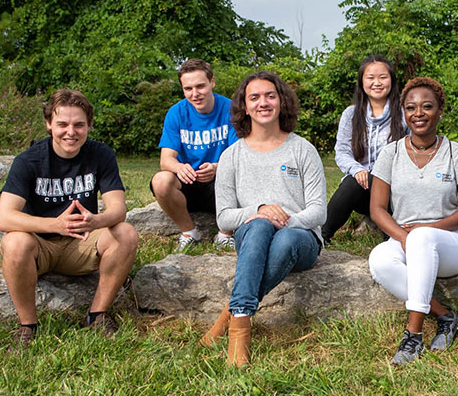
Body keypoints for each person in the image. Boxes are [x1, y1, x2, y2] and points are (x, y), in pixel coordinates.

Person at [199, 71, 327, 367]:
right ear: (244, 106)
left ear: (282, 102)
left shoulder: (303, 149)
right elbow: (224, 218)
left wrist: (283, 220)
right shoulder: (231, 156)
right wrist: (259, 211)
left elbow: (319, 211)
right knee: (258, 225)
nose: (263, 103)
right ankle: (241, 325)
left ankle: (231, 315)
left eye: (270, 96)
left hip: (301, 238)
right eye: (254, 97)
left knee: (285, 239)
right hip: (252, 236)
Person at [0, 89, 138, 349]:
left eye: (79, 125)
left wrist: (96, 221)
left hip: (81, 242)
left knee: (126, 233)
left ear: (89, 126)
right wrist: (54, 224)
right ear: (49, 124)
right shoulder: (28, 160)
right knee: (14, 242)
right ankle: (28, 326)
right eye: (62, 124)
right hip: (39, 245)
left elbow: (118, 210)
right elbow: (4, 217)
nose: (70, 132)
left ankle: (97, 315)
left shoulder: (101, 154)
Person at [366, 77, 458, 365]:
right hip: (404, 238)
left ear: (440, 111)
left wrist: (424, 232)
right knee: (379, 259)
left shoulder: (456, 153)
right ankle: (446, 316)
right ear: (403, 112)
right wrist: (406, 238)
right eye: (411, 107)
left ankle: (413, 336)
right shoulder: (391, 153)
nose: (418, 113)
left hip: (450, 243)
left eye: (427, 107)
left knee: (422, 237)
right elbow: (377, 209)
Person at [151, 59, 240, 252]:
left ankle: (225, 235)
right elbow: (166, 160)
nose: (195, 94)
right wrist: (179, 168)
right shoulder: (176, 113)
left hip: (221, 185)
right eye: (188, 88)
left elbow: (239, 156)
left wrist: (216, 167)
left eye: (200, 86)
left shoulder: (231, 109)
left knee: (241, 175)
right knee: (161, 180)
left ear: (212, 82)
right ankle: (189, 233)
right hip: (188, 183)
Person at [322, 55, 408, 243]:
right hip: (361, 189)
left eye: (383, 77)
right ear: (362, 82)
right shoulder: (351, 114)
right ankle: (321, 236)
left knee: (375, 181)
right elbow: (342, 151)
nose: (377, 83)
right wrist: (357, 169)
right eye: (370, 77)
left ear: (392, 80)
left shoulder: (404, 114)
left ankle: (393, 242)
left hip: (394, 191)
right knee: (353, 181)